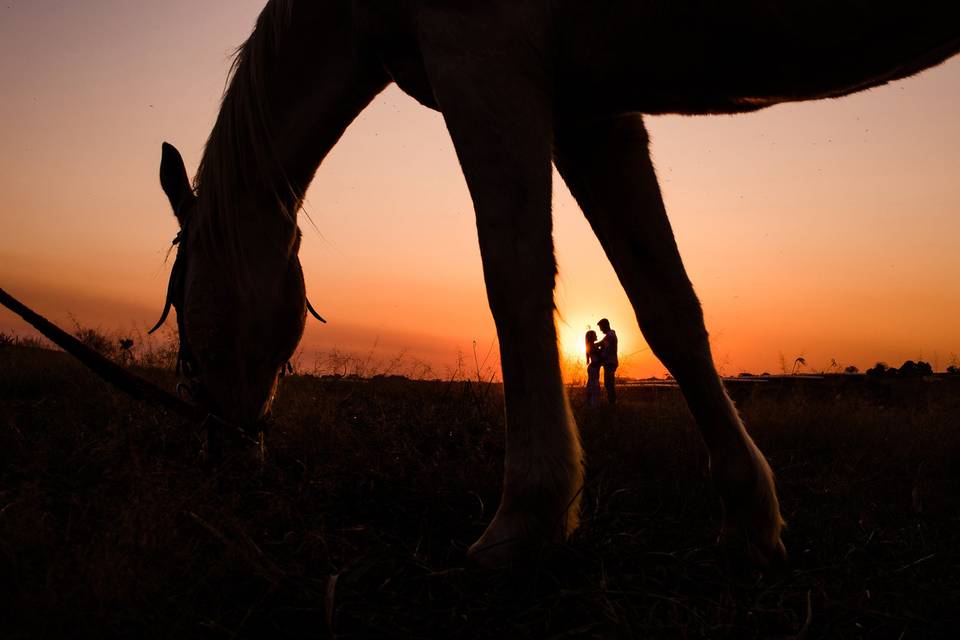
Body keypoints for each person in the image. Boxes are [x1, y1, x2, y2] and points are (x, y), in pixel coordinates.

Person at [597, 318, 618, 405]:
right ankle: (611, 402)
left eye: (601, 328)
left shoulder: (610, 335)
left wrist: (590, 345)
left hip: (610, 362)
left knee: (609, 384)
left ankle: (612, 403)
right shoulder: (609, 335)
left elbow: (603, 346)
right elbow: (601, 344)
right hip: (609, 362)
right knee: (608, 383)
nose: (601, 330)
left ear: (606, 325)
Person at [584, 330, 603, 406]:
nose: (596, 336)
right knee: (595, 388)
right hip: (594, 368)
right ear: (592, 337)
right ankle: (594, 405)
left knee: (591, 387)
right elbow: (599, 357)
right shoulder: (592, 345)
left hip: (592, 368)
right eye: (595, 335)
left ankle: (589, 405)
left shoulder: (590, 345)